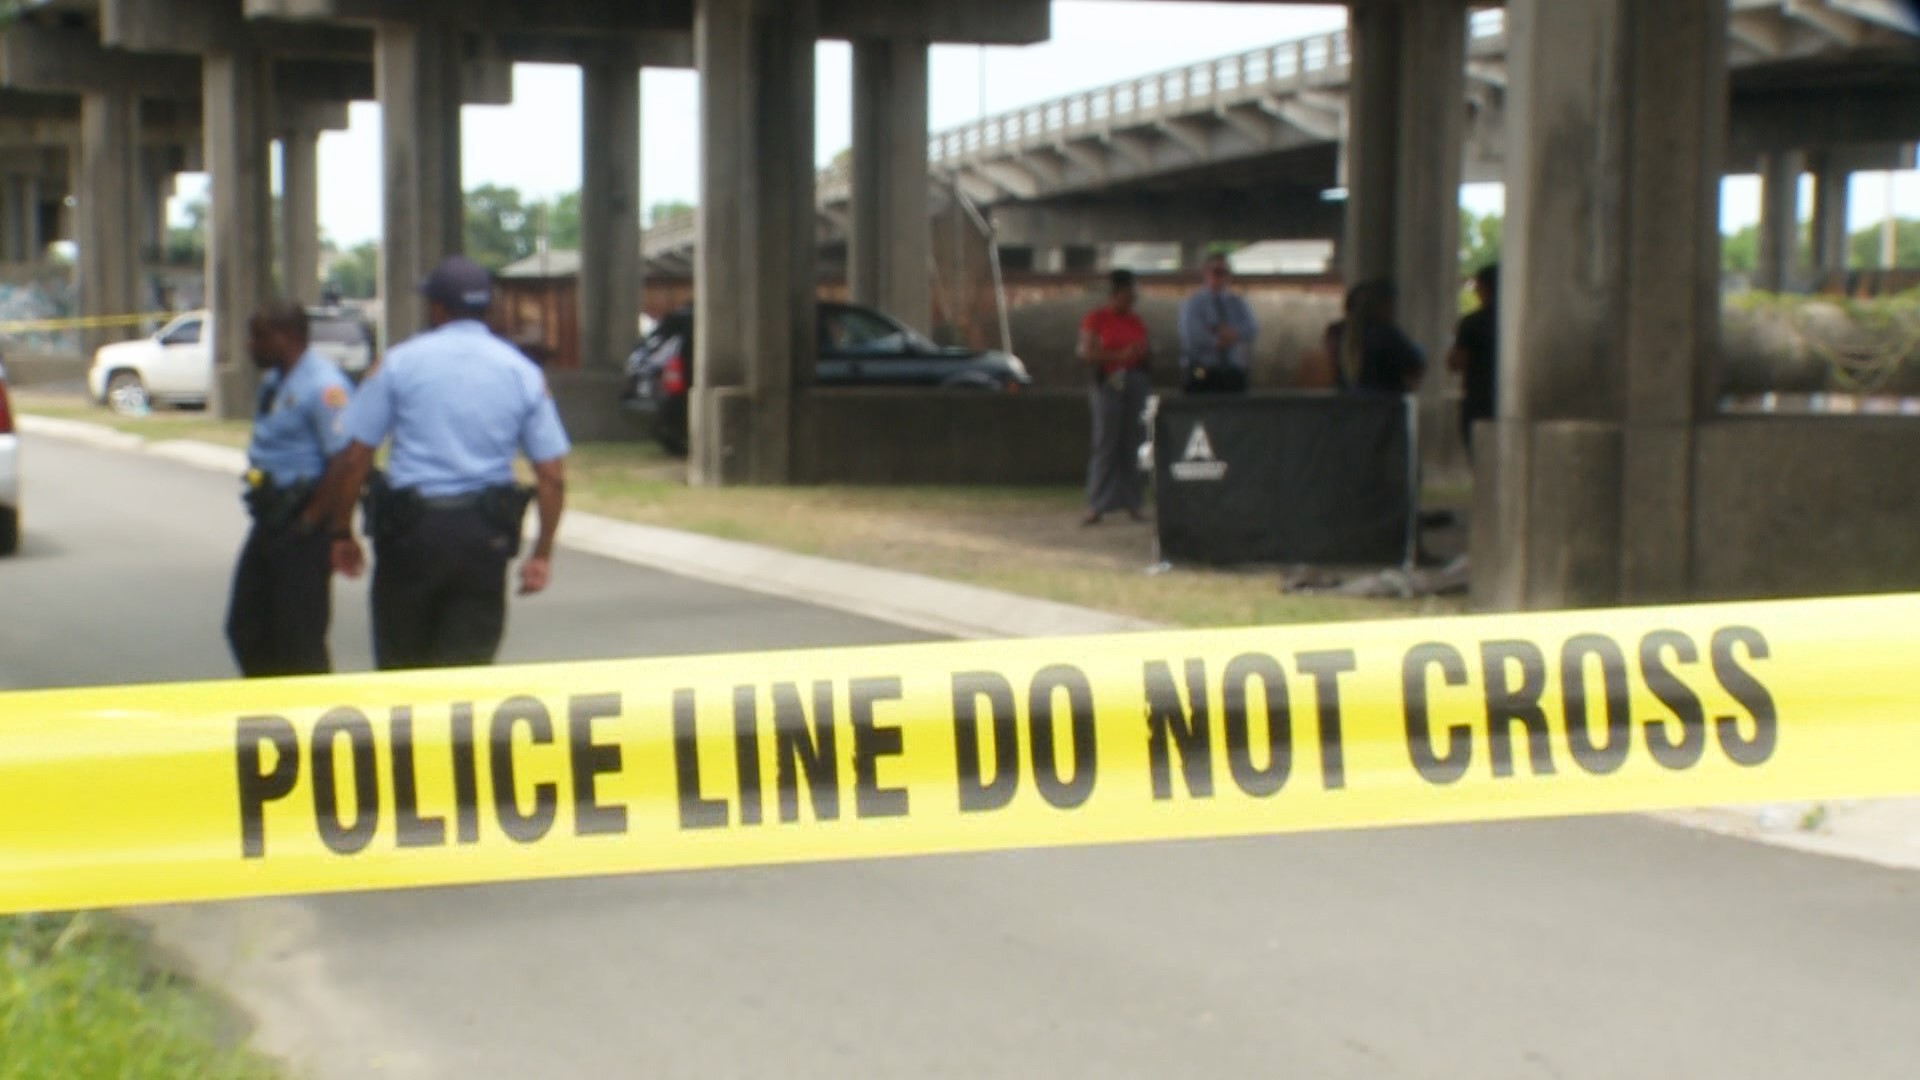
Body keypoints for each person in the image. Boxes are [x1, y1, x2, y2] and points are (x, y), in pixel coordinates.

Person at [310, 256, 571, 670]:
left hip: (411, 536)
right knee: (467, 681)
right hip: (483, 539)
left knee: (403, 674)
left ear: (437, 308)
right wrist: (541, 554)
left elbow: (355, 457)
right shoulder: (522, 371)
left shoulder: (399, 363)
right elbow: (552, 476)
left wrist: (341, 532)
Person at [225, 300, 354, 678]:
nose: (251, 345)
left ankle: (314, 725)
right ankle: (268, 709)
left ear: (290, 336)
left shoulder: (325, 386)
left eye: (260, 336)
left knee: (299, 638)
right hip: (270, 519)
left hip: (301, 524)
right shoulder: (275, 382)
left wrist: (313, 520)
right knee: (247, 626)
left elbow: (343, 461)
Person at [1078, 269, 1151, 526]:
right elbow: (1087, 353)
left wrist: (1138, 354)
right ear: (1117, 294)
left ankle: (1133, 502)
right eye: (1128, 294)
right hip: (1108, 382)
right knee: (1106, 443)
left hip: (1134, 382)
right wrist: (1118, 356)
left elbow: (1144, 349)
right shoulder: (1096, 319)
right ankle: (1096, 503)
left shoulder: (1135, 321)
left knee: (1132, 442)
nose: (1132, 299)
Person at [1328, 279, 1427, 395]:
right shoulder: (1385, 335)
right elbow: (1414, 361)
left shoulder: (1340, 333)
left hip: (1352, 402)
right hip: (1384, 403)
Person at [1177, 253, 1258, 394]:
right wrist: (1216, 341)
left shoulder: (1237, 302)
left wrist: (1233, 334)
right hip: (1203, 370)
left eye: (1224, 272)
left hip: (1232, 370)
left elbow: (1251, 328)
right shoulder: (1193, 303)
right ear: (1206, 273)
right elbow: (1191, 335)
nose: (1221, 276)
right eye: (1217, 272)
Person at [1447, 263, 1499, 456]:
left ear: (1484, 287)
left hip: (1478, 399)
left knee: (1479, 456)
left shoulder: (1472, 323)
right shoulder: (1513, 320)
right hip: (1508, 399)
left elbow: (1455, 363)